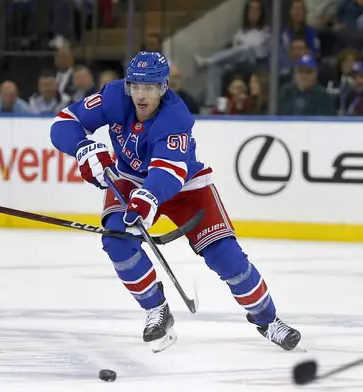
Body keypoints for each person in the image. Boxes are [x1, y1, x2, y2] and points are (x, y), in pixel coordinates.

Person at [49, 51, 301, 353]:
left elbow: (168, 171)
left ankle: (268, 320)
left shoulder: (176, 116)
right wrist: (83, 146)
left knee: (227, 256)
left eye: (150, 87)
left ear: (164, 87)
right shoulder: (114, 96)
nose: (141, 95)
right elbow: (65, 121)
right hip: (130, 178)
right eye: (136, 86)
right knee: (117, 240)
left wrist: (148, 199)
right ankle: (156, 310)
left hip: (185, 185)